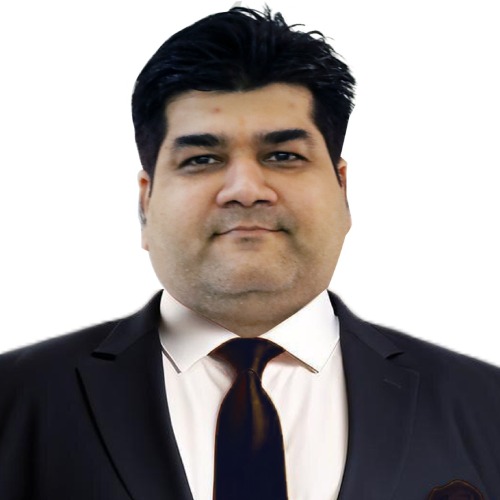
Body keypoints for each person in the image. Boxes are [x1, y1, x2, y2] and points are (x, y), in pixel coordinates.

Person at [0, 7, 499, 500]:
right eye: (202, 158)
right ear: (145, 203)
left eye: (283, 155)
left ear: (343, 189)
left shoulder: (485, 406)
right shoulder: (15, 398)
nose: (245, 189)